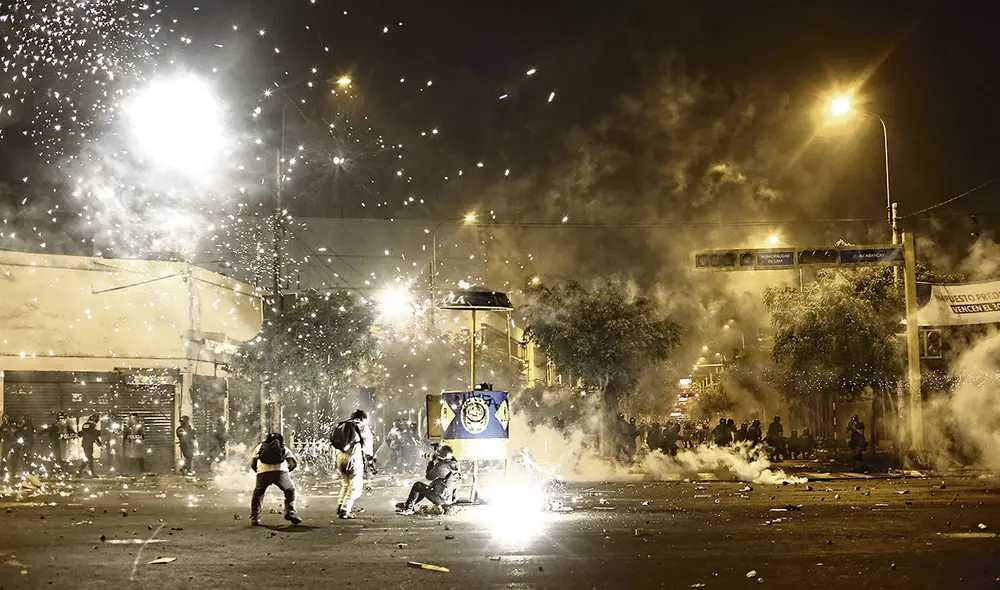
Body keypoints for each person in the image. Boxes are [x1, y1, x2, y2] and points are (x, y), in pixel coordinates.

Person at [249, 432, 301, 526]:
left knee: (258, 493)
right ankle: (290, 512)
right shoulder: (283, 447)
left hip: (263, 473)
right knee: (290, 490)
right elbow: (293, 464)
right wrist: (286, 472)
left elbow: (253, 463)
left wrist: (258, 472)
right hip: (280, 472)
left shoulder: (260, 446)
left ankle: (255, 517)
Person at [331, 409, 374, 519]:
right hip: (353, 457)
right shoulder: (362, 425)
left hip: (340, 457)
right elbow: (367, 447)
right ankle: (345, 509)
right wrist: (370, 459)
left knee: (346, 483)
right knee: (356, 487)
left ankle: (340, 506)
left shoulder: (343, 425)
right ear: (363, 418)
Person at [395, 444, 461, 515]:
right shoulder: (455, 464)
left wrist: (431, 461)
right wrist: (439, 450)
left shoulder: (441, 467)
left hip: (442, 498)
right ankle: (408, 504)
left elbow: (429, 476)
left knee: (418, 486)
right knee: (425, 489)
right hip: (450, 498)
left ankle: (408, 508)